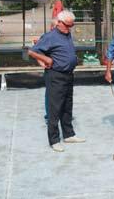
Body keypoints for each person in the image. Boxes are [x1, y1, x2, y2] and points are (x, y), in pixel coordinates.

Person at [28, 10, 85, 152]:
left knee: (67, 105)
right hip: (55, 75)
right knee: (55, 108)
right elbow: (32, 51)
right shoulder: (50, 36)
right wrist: (45, 59)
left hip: (68, 75)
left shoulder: (67, 34)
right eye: (67, 25)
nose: (69, 28)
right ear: (59, 23)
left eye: (71, 26)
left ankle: (69, 134)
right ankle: (54, 140)